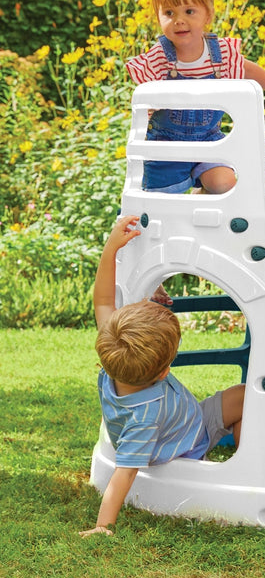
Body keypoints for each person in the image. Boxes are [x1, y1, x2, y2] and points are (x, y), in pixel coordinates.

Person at [79, 214, 246, 537]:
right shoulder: (145, 417)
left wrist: (111, 249)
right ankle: (244, 467)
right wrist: (103, 526)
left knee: (240, 396)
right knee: (246, 399)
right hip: (189, 439)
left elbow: (102, 299)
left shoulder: (113, 351)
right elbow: (125, 473)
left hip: (181, 420)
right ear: (165, 371)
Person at [126, 0, 265, 195]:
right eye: (169, 13)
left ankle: (202, 196)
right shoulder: (159, 56)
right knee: (157, 201)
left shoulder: (220, 53)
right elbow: (144, 93)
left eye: (189, 11)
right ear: (158, 17)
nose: (179, 20)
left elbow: (252, 71)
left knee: (224, 185)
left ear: (208, 15)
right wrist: (151, 106)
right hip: (167, 145)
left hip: (209, 141)